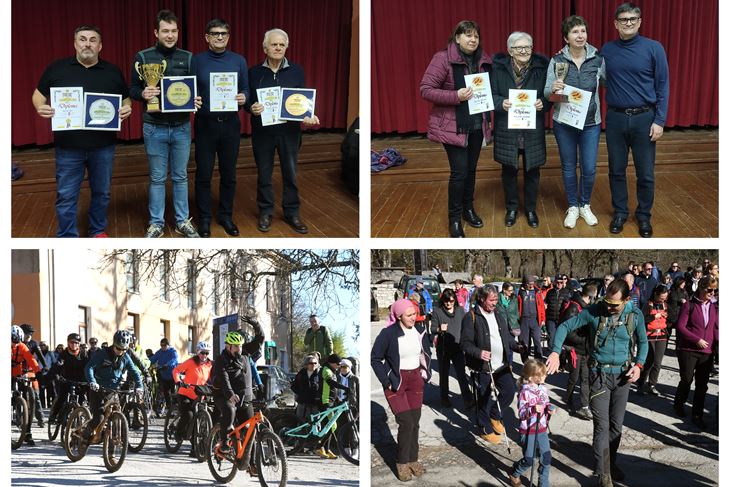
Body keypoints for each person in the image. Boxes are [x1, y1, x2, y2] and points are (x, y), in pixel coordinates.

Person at [31, 25, 132, 238]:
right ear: (75, 44)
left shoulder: (113, 71)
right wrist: (40, 107)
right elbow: (38, 96)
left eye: (93, 40)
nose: (88, 44)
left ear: (100, 46)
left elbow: (126, 100)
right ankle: (67, 235)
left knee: (102, 193)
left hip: (103, 146)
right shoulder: (57, 69)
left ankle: (97, 230)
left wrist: (127, 109)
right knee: (66, 195)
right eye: (83, 39)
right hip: (68, 146)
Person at [546, 279, 648, 487]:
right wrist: (555, 352)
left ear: (627, 300)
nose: (609, 307)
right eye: (607, 302)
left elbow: (644, 342)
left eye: (614, 305)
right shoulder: (594, 311)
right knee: (602, 426)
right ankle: (603, 474)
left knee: (616, 426)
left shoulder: (635, 315)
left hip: (623, 377)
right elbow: (564, 327)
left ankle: (610, 463)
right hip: (598, 375)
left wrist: (638, 365)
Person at [130, 9, 202, 238]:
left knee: (181, 176)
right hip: (154, 127)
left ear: (178, 32)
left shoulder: (188, 57)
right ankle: (156, 224)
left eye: (173, 31)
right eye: (165, 31)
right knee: (157, 178)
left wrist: (196, 99)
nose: (170, 35)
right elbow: (131, 89)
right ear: (156, 32)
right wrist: (143, 92)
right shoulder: (143, 57)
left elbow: (194, 88)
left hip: (181, 127)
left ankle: (182, 221)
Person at [602, 2, 669, 238]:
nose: (628, 23)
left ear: (639, 22)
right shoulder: (606, 50)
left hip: (645, 118)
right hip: (616, 119)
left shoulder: (654, 48)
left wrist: (659, 120)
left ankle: (643, 216)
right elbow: (586, 68)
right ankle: (620, 212)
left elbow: (663, 85)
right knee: (616, 170)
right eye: (623, 19)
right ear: (616, 24)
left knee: (646, 173)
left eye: (632, 19)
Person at [420, 20, 492, 238]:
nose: (473, 40)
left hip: (477, 124)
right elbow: (426, 89)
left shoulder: (484, 59)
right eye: (468, 35)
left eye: (476, 36)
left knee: (471, 170)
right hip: (453, 126)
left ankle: (468, 209)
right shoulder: (442, 59)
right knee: (459, 172)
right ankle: (454, 218)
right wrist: (456, 95)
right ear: (457, 38)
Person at [246, 28, 320, 235]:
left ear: (286, 47)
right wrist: (251, 108)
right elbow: (248, 102)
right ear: (265, 48)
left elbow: (301, 101)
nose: (278, 48)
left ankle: (292, 212)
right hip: (263, 133)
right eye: (274, 44)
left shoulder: (296, 71)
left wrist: (308, 115)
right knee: (264, 175)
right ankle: (266, 211)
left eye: (281, 45)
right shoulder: (254, 73)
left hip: (290, 132)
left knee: (291, 175)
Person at [192, 19, 249, 238]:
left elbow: (246, 89)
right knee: (204, 174)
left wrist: (244, 97)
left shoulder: (238, 61)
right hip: (205, 125)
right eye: (215, 33)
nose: (219, 37)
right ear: (206, 37)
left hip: (230, 125)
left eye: (224, 33)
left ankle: (226, 216)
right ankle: (204, 218)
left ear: (228, 36)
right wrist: (192, 100)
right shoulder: (196, 61)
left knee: (229, 174)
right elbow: (188, 88)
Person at [544, 15, 604, 229]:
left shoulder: (598, 59)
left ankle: (585, 205)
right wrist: (554, 89)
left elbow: (608, 81)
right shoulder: (557, 61)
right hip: (565, 123)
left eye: (583, 31)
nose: (580, 35)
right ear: (566, 37)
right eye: (575, 32)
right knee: (569, 167)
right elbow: (547, 93)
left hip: (590, 124)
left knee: (588, 168)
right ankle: (572, 206)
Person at [491, 31, 550, 228]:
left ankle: (531, 209)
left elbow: (550, 96)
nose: (524, 51)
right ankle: (512, 208)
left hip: (532, 129)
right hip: (507, 129)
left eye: (528, 47)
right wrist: (501, 103)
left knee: (532, 171)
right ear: (510, 50)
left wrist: (544, 103)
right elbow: (489, 95)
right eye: (519, 47)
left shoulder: (542, 68)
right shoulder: (497, 69)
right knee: (509, 170)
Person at [371, 299, 431, 482]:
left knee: (415, 422)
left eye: (414, 313)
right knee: (406, 423)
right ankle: (402, 462)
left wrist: (425, 371)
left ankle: (413, 459)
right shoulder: (388, 333)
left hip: (415, 380)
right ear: (398, 316)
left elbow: (426, 353)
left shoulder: (420, 331)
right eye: (409, 315)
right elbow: (375, 359)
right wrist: (386, 381)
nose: (414, 317)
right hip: (396, 382)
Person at [461, 285, 523, 444]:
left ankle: (495, 416)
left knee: (509, 390)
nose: (495, 303)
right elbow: (465, 344)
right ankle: (483, 427)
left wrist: (516, 346)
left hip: (501, 364)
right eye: (492, 300)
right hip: (483, 367)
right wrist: (478, 352)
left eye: (496, 299)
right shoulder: (471, 317)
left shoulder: (498, 314)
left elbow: (506, 337)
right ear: (482, 299)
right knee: (485, 399)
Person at [211, 323, 265, 458]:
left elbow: (260, 339)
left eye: (240, 346)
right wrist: (230, 394)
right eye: (235, 346)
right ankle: (224, 441)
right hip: (224, 395)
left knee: (250, 431)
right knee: (229, 410)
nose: (239, 349)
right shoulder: (220, 360)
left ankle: (251, 463)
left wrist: (255, 324)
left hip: (244, 397)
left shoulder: (244, 352)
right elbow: (224, 380)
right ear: (228, 346)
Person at [83, 330, 143, 447]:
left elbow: (135, 372)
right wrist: (93, 382)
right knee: (98, 418)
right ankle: (84, 437)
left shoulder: (125, 357)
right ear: (114, 344)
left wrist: (139, 386)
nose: (121, 352)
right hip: (98, 389)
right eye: (118, 348)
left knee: (116, 416)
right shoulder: (102, 353)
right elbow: (89, 367)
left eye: (124, 349)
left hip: (113, 390)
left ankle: (111, 450)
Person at [674, 277, 719, 429]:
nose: (712, 293)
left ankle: (697, 414)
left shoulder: (714, 307)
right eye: (710, 290)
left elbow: (715, 328)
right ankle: (679, 404)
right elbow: (680, 327)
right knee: (686, 380)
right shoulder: (689, 305)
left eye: (715, 290)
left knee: (702, 385)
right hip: (689, 349)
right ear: (701, 288)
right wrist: (696, 339)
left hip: (707, 352)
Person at [508, 359, 556, 487]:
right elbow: (522, 414)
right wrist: (533, 409)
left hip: (541, 429)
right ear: (531, 377)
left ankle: (543, 484)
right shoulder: (524, 393)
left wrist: (549, 408)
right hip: (529, 431)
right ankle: (515, 473)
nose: (545, 376)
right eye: (542, 375)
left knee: (546, 458)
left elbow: (546, 403)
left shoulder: (543, 389)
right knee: (529, 460)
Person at [430, 288, 474, 408]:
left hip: (457, 347)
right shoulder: (437, 311)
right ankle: (444, 398)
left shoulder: (460, 310)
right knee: (444, 375)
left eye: (451, 301)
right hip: (443, 349)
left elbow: (466, 326)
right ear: (442, 301)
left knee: (461, 374)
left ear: (454, 300)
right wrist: (439, 329)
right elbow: (432, 329)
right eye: (446, 301)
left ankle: (468, 399)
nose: (449, 303)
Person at [560, 284, 597, 420]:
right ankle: (568, 400)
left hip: (585, 350)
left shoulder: (586, 307)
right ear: (590, 296)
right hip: (575, 349)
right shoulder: (574, 308)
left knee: (585, 378)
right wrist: (582, 340)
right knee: (573, 378)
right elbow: (567, 331)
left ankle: (584, 406)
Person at [172, 341, 213, 455]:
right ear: (198, 352)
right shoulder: (190, 362)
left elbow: (212, 378)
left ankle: (195, 448)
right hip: (185, 393)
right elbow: (176, 370)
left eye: (206, 353)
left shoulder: (209, 364)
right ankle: (178, 433)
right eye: (202, 353)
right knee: (189, 415)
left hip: (200, 395)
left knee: (199, 419)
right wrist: (179, 381)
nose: (204, 355)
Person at [48, 333, 89, 425]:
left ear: (79, 344)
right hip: (66, 379)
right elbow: (57, 366)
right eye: (72, 342)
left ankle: (80, 419)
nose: (74, 345)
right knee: (62, 397)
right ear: (68, 343)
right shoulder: (64, 354)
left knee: (82, 400)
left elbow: (88, 367)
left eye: (76, 342)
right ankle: (54, 415)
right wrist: (54, 375)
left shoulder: (84, 354)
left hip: (80, 380)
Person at [11, 325, 42, 445]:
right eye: (13, 341)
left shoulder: (22, 346)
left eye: (17, 341)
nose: (15, 344)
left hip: (18, 374)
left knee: (29, 395)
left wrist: (38, 371)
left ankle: (27, 432)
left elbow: (31, 359)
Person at [637, 285, 669, 396]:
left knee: (657, 363)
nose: (663, 300)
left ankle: (652, 385)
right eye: (661, 298)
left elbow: (672, 318)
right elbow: (641, 319)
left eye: (665, 298)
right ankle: (640, 384)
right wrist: (654, 317)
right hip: (649, 336)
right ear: (656, 294)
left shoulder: (665, 305)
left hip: (662, 335)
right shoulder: (648, 304)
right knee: (649, 362)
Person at [318, 353, 349, 459]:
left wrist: (338, 399)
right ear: (332, 363)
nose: (339, 366)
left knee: (329, 426)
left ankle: (326, 449)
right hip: (324, 401)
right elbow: (331, 383)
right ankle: (320, 446)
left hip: (331, 401)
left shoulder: (332, 371)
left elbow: (333, 389)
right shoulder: (326, 370)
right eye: (338, 364)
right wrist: (345, 388)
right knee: (332, 425)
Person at [20, 324, 47, 427]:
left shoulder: (34, 343)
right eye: (27, 333)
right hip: (19, 370)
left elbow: (40, 356)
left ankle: (41, 419)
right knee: (18, 394)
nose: (29, 336)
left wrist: (45, 366)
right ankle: (20, 417)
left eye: (31, 334)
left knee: (36, 395)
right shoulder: (17, 342)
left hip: (31, 370)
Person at [518, 276, 546, 361]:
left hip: (535, 320)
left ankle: (539, 360)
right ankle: (525, 361)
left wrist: (543, 319)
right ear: (525, 284)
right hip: (524, 320)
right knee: (524, 342)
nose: (531, 286)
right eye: (529, 284)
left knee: (537, 340)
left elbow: (541, 306)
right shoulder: (520, 292)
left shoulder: (537, 292)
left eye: (532, 284)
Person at [150, 337, 179, 412]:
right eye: (161, 345)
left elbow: (174, 359)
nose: (163, 347)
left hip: (172, 376)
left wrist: (167, 365)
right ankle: (169, 408)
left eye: (164, 345)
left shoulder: (172, 351)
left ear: (168, 345)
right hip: (164, 376)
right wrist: (148, 360)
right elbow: (153, 359)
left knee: (173, 393)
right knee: (166, 393)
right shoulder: (160, 352)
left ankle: (176, 407)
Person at [292, 355, 321, 422]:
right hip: (302, 403)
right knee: (300, 421)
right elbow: (294, 386)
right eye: (311, 363)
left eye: (315, 363)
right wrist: (300, 393)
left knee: (316, 422)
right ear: (306, 364)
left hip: (315, 404)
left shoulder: (319, 374)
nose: (313, 365)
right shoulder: (301, 374)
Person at [545, 274, 571, 348]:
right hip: (551, 318)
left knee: (560, 338)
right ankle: (551, 353)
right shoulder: (550, 292)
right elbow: (545, 304)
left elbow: (569, 306)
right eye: (558, 282)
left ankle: (558, 353)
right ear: (554, 282)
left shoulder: (566, 292)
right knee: (551, 337)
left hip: (561, 319)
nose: (559, 284)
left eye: (561, 282)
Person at [498, 282, 521, 364]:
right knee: (502, 345)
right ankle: (503, 362)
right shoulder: (497, 298)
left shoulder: (514, 298)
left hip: (512, 325)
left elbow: (517, 311)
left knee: (511, 345)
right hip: (501, 325)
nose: (511, 292)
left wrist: (517, 321)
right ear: (504, 290)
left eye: (512, 290)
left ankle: (510, 364)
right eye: (509, 290)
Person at [38, 341, 57, 408]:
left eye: (44, 345)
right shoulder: (37, 353)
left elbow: (54, 362)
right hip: (41, 373)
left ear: (46, 346)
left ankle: (50, 404)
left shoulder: (50, 353)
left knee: (51, 389)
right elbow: (35, 361)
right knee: (41, 390)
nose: (42, 346)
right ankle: (42, 404)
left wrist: (52, 371)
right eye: (41, 345)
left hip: (49, 373)